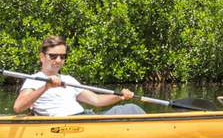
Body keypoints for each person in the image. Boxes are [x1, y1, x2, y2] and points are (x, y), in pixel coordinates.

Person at [13, 35, 145, 116]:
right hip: (67, 124)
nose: (58, 60)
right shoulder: (33, 80)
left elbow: (96, 100)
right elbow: (18, 107)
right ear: (42, 57)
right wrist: (46, 87)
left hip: (84, 117)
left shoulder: (69, 79)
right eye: (53, 56)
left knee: (131, 108)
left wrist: (119, 96)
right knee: (131, 109)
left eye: (62, 56)